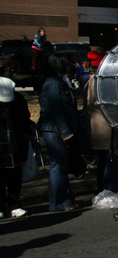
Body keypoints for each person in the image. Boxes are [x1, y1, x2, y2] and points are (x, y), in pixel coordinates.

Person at [38, 53, 80, 212]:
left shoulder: (61, 81)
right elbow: (56, 110)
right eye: (68, 63)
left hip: (60, 129)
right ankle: (57, 202)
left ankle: (66, 199)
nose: (71, 66)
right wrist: (66, 132)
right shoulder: (53, 83)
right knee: (58, 166)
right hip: (54, 130)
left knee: (62, 165)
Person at [85, 72, 118, 194]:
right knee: (110, 160)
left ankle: (103, 190)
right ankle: (108, 190)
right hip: (105, 125)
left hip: (98, 126)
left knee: (104, 160)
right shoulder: (101, 80)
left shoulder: (90, 80)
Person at [0, 77, 32, 218]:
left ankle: (14, 204)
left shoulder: (18, 101)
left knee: (15, 176)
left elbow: (25, 118)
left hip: (16, 143)